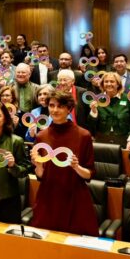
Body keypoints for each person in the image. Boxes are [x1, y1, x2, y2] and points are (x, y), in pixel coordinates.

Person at [30, 90, 98, 236]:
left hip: (75, 197)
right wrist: (38, 165)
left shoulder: (83, 135)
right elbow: (41, 176)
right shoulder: (41, 136)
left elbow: (89, 174)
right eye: (51, 105)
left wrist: (76, 167)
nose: (55, 110)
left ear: (69, 109)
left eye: (60, 106)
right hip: (48, 198)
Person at [87, 72, 130, 149]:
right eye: (106, 81)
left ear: (118, 84)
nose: (109, 84)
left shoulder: (127, 99)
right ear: (102, 84)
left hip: (123, 140)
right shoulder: (97, 99)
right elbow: (91, 125)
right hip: (101, 140)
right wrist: (93, 111)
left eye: (112, 81)